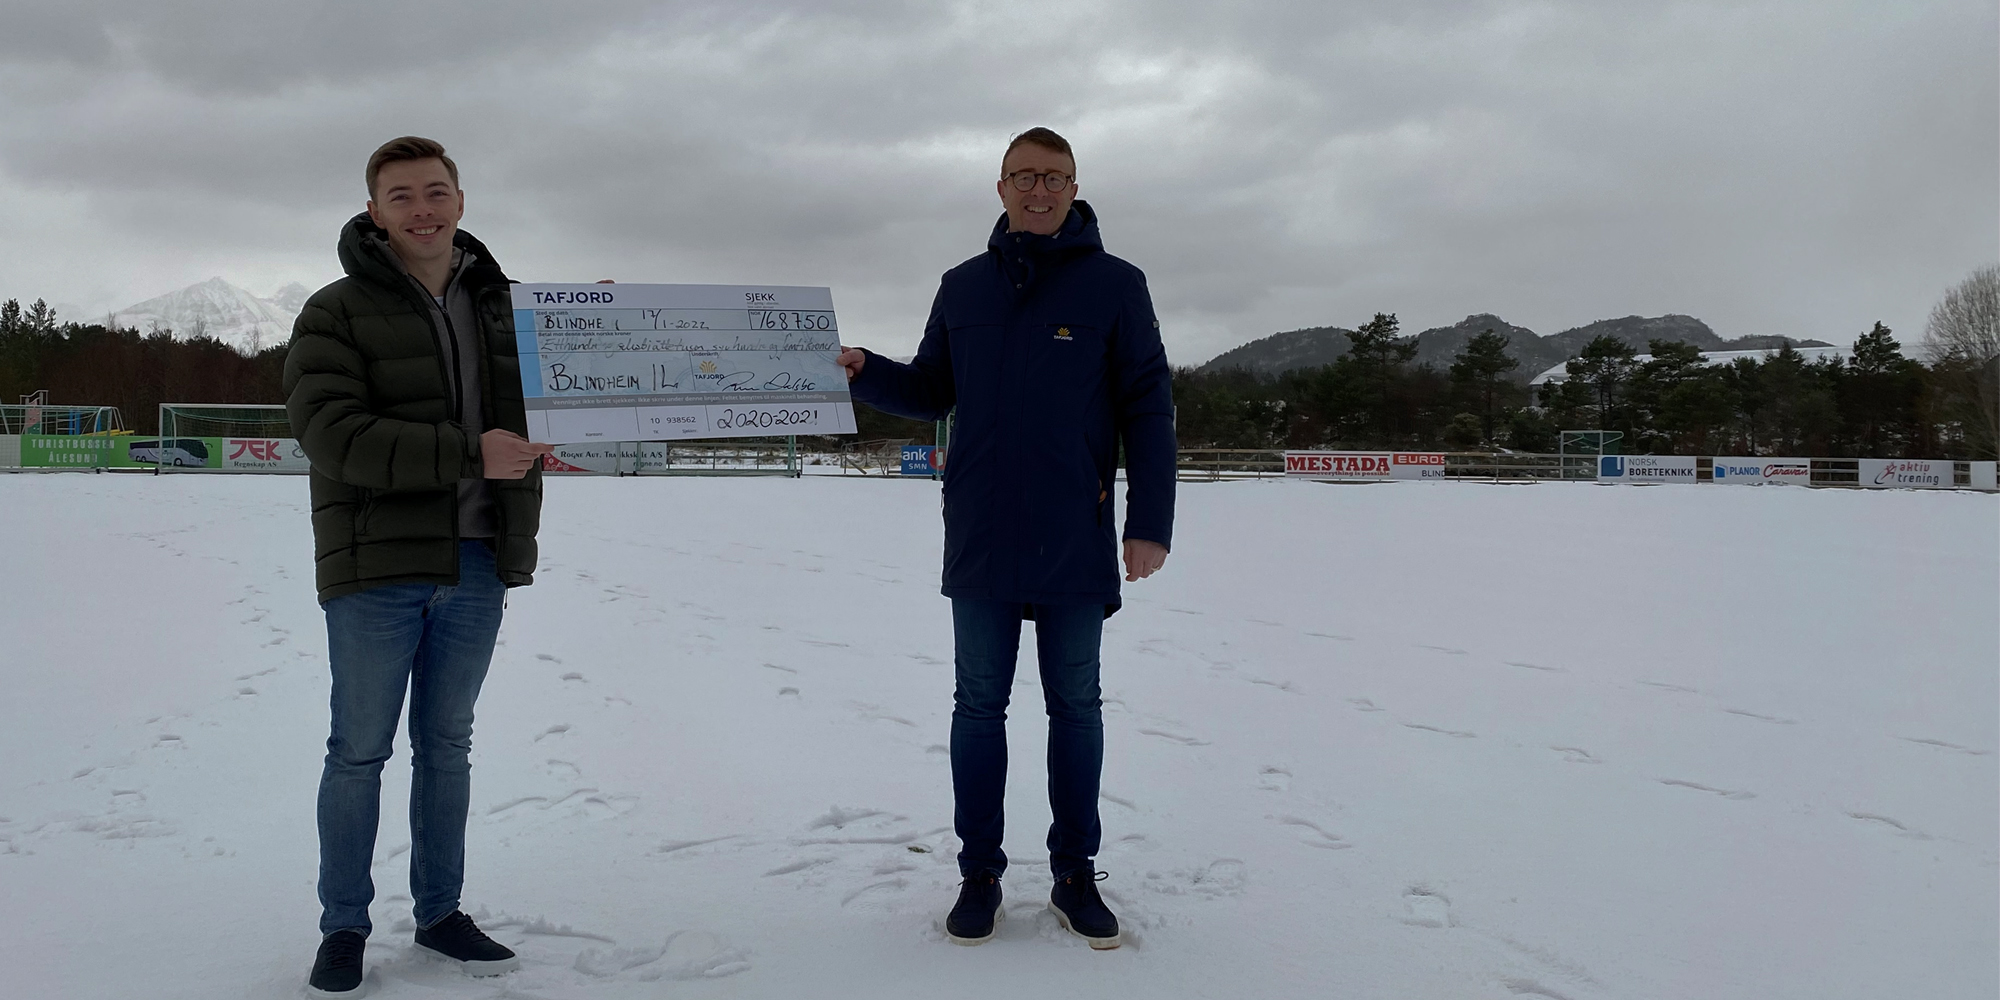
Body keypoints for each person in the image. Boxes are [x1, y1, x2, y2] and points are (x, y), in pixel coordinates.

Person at [836, 127, 1176, 950]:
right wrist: (864, 368)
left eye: (1055, 177)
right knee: (978, 709)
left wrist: (1149, 523)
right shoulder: (962, 287)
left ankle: (1073, 873)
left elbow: (1147, 406)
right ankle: (979, 873)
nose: (1039, 189)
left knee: (1076, 708)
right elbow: (928, 389)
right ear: (999, 187)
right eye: (1024, 175)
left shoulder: (1116, 287)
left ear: (1074, 188)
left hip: (1075, 532)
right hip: (983, 533)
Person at [284, 136, 553, 997]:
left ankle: (439, 913)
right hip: (376, 565)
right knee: (358, 751)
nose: (422, 209)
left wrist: (604, 345)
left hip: (477, 559)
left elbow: (563, 399)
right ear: (374, 212)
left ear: (462, 203)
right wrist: (468, 453)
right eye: (401, 197)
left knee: (447, 747)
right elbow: (334, 435)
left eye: (436, 192)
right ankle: (344, 926)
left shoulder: (509, 310)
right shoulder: (334, 312)